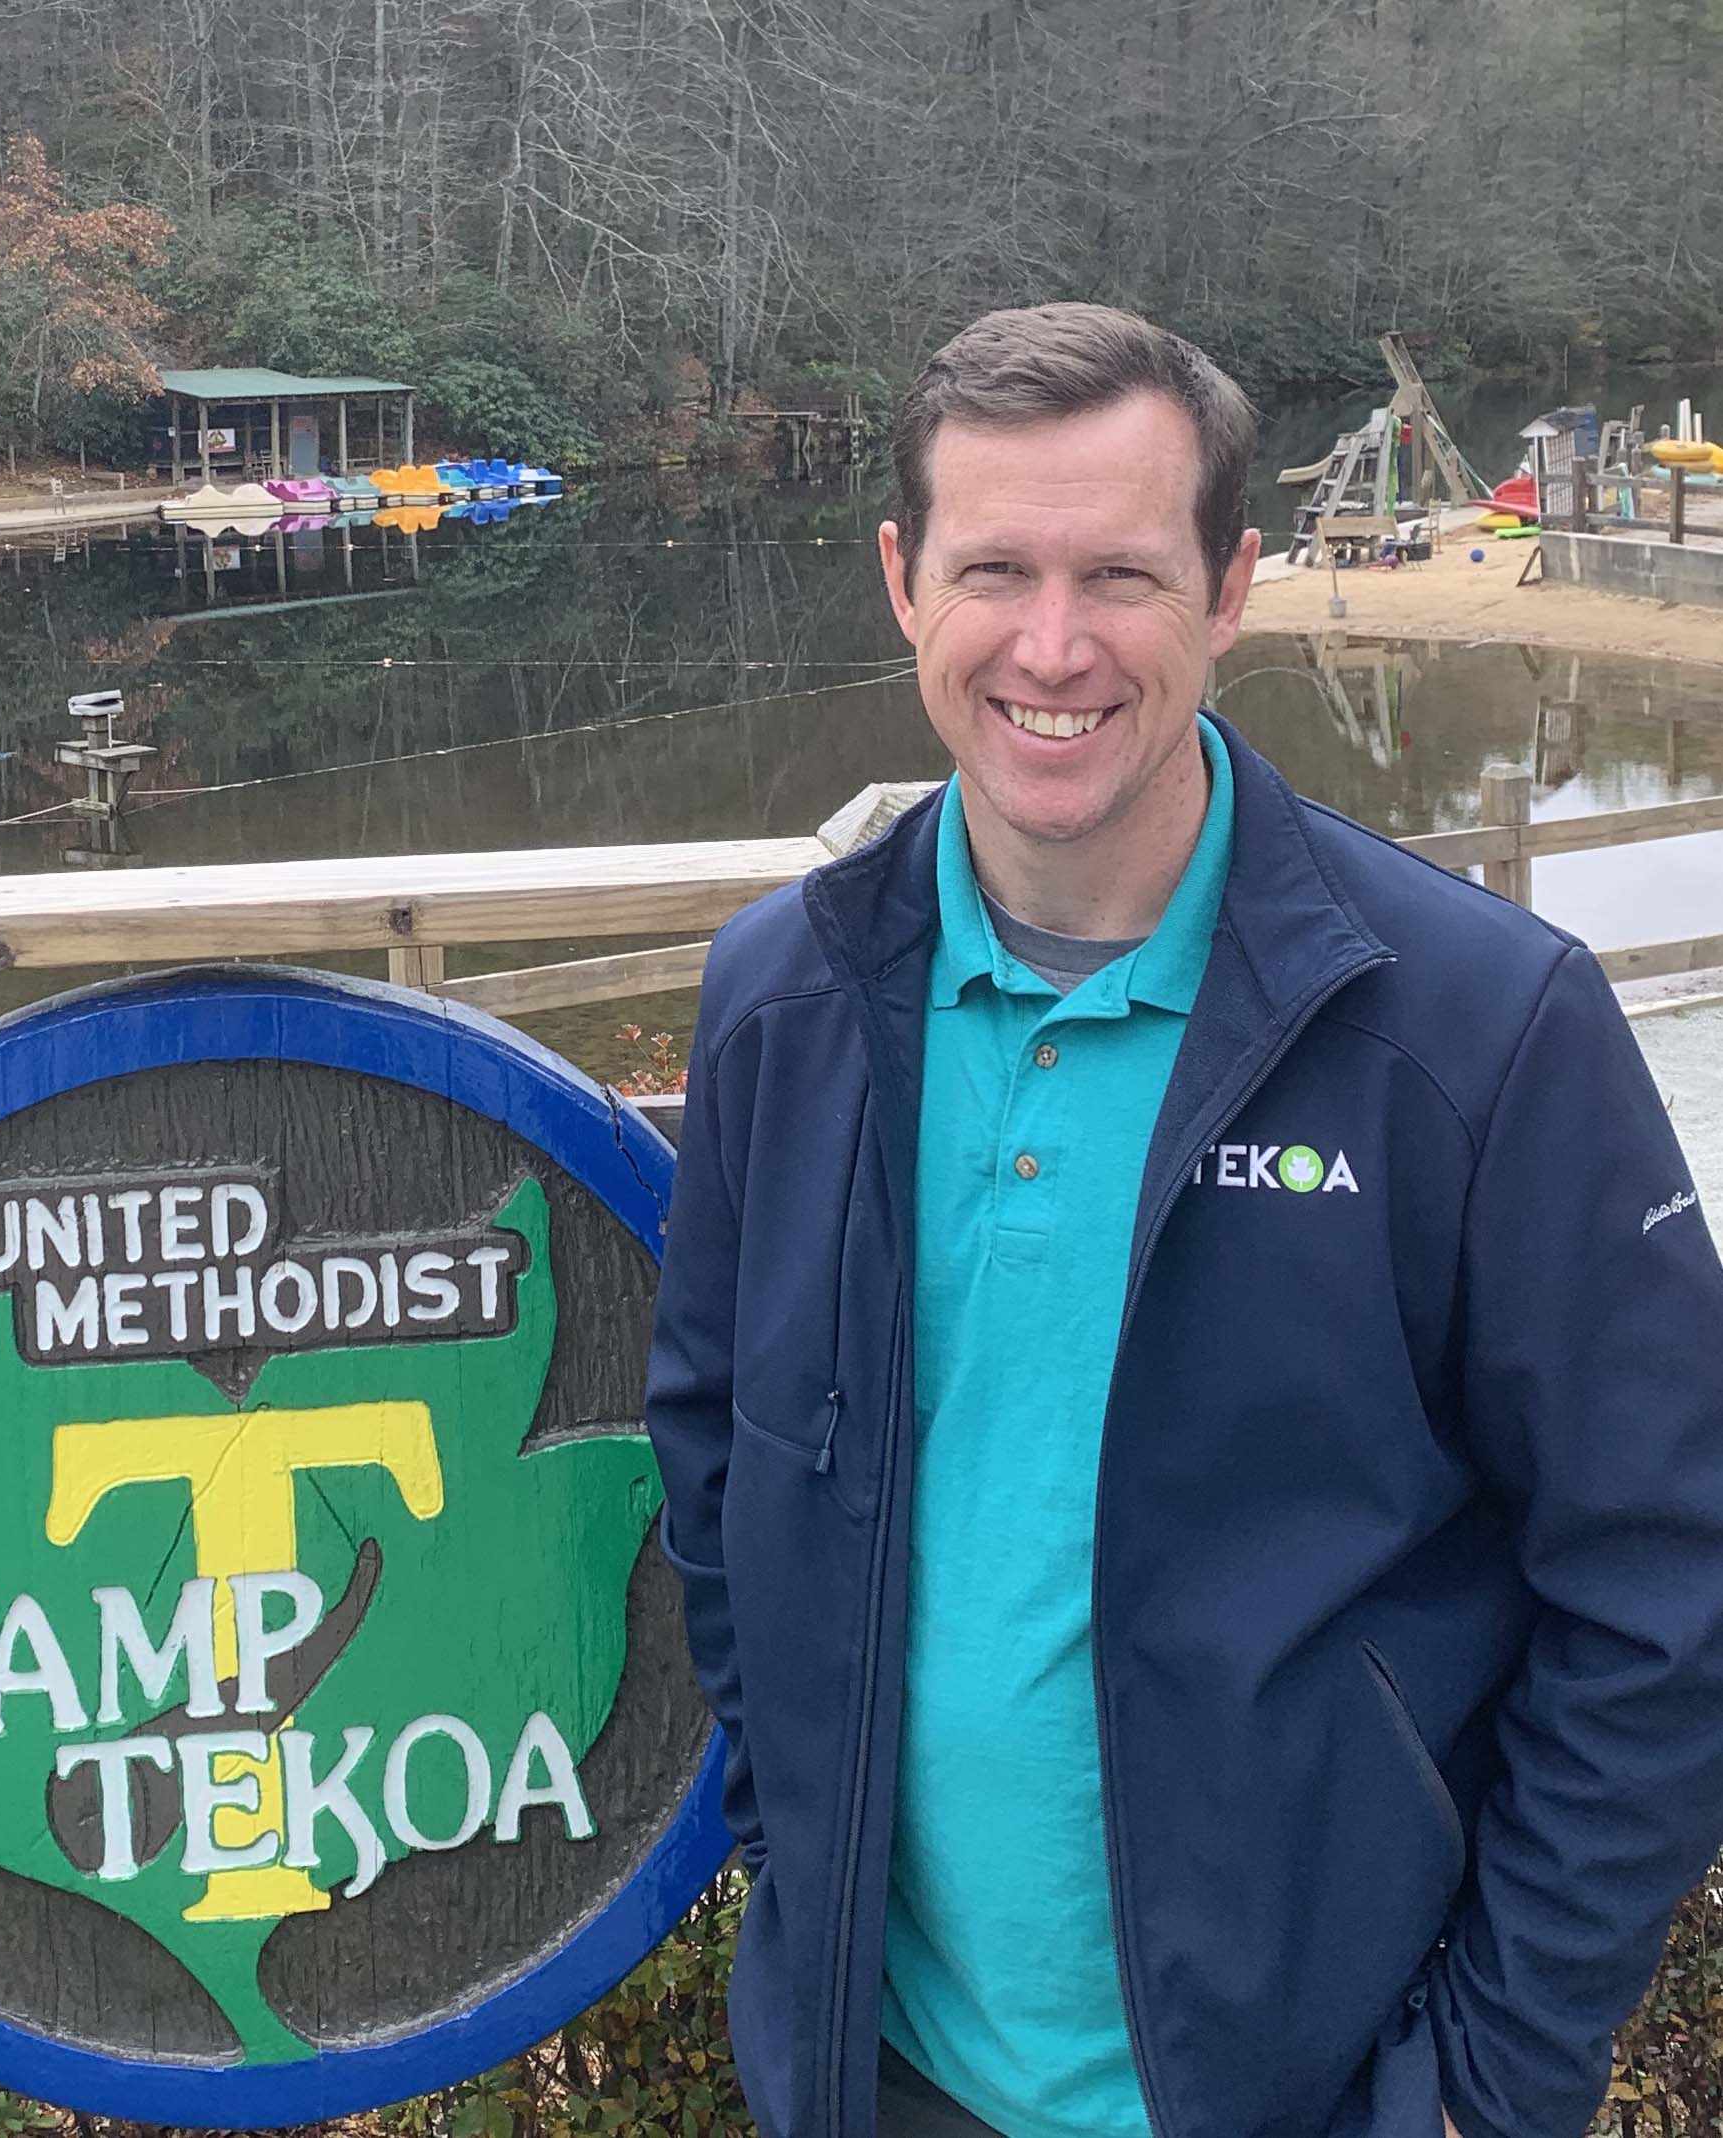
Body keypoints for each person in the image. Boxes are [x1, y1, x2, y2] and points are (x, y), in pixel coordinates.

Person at [643, 302, 1723, 2138]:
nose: (1049, 648)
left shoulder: (1471, 1030)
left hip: (1322, 2090)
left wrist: (1490, 2076)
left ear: (1232, 589)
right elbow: (716, 1454)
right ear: (903, 581)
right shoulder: (784, 1000)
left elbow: (1667, 1583)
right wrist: (794, 1849)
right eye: (994, 568)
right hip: (875, 2071)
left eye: (1120, 576)